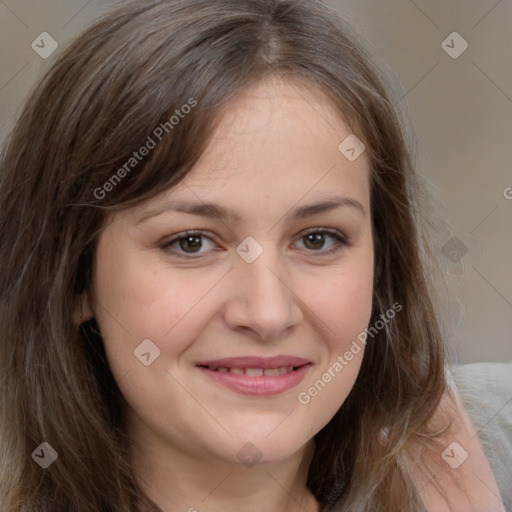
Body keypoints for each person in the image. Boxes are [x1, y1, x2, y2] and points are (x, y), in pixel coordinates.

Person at [0, 1, 510, 511]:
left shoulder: (489, 449)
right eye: (192, 242)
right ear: (74, 279)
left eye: (318, 239)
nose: (268, 313)